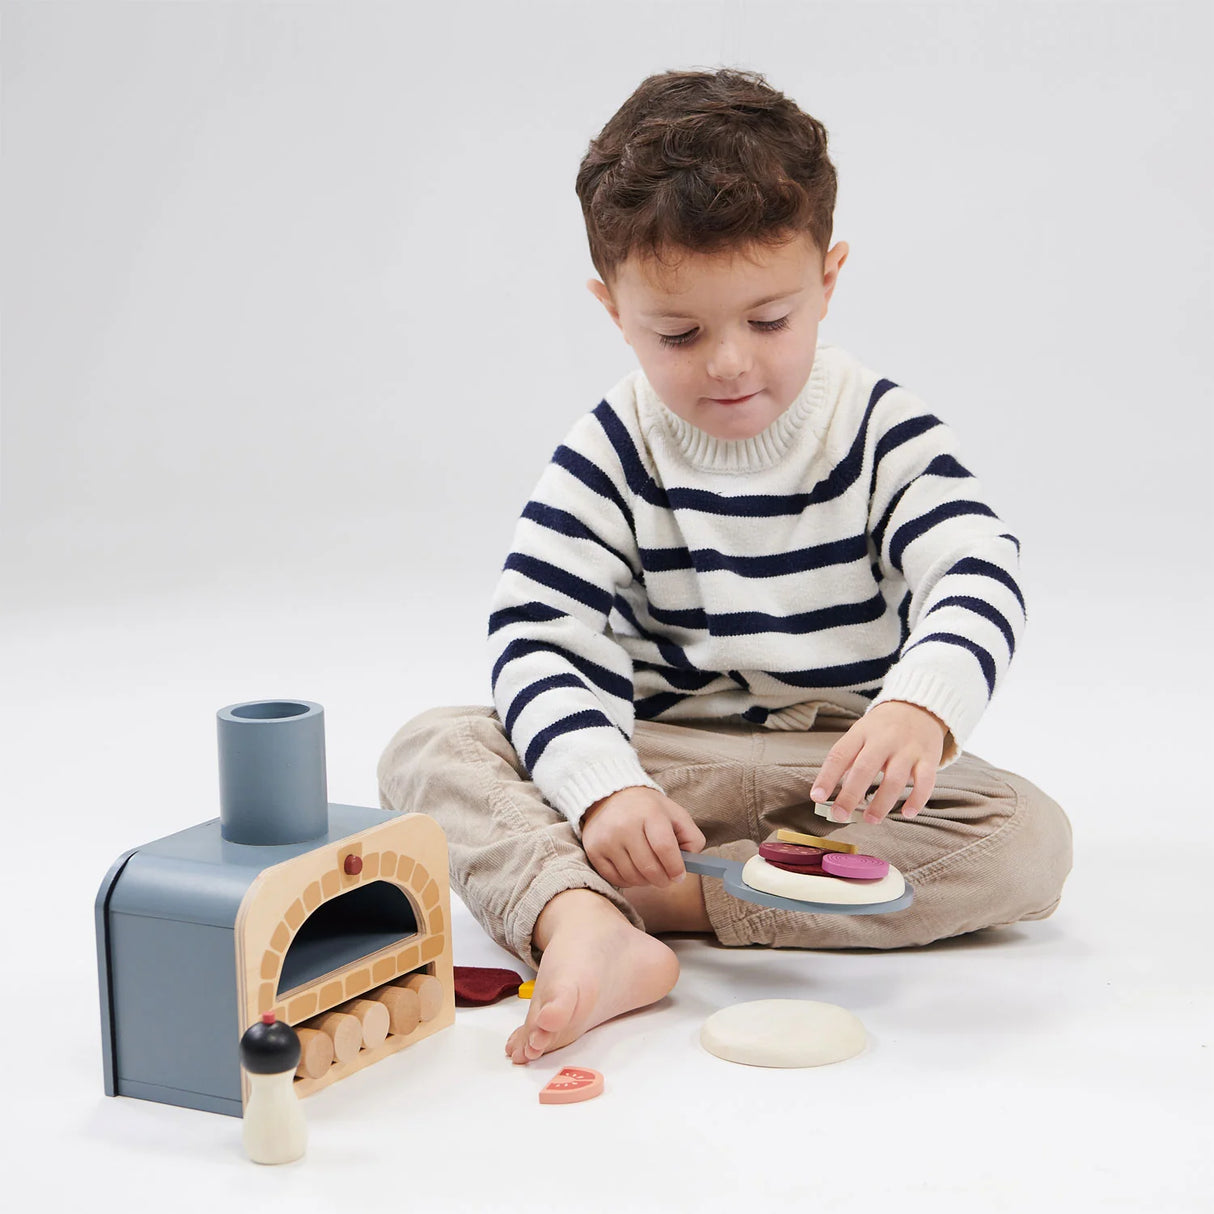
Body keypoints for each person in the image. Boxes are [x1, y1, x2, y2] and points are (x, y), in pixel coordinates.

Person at [377, 67, 1073, 1065]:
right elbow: (538, 632)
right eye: (678, 332)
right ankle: (591, 910)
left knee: (1023, 840)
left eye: (768, 319)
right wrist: (604, 788)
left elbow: (973, 562)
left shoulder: (878, 430)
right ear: (612, 308)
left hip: (834, 778)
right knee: (430, 744)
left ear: (826, 279)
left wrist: (917, 709)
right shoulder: (611, 448)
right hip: (659, 766)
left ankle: (616, 901)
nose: (730, 364)